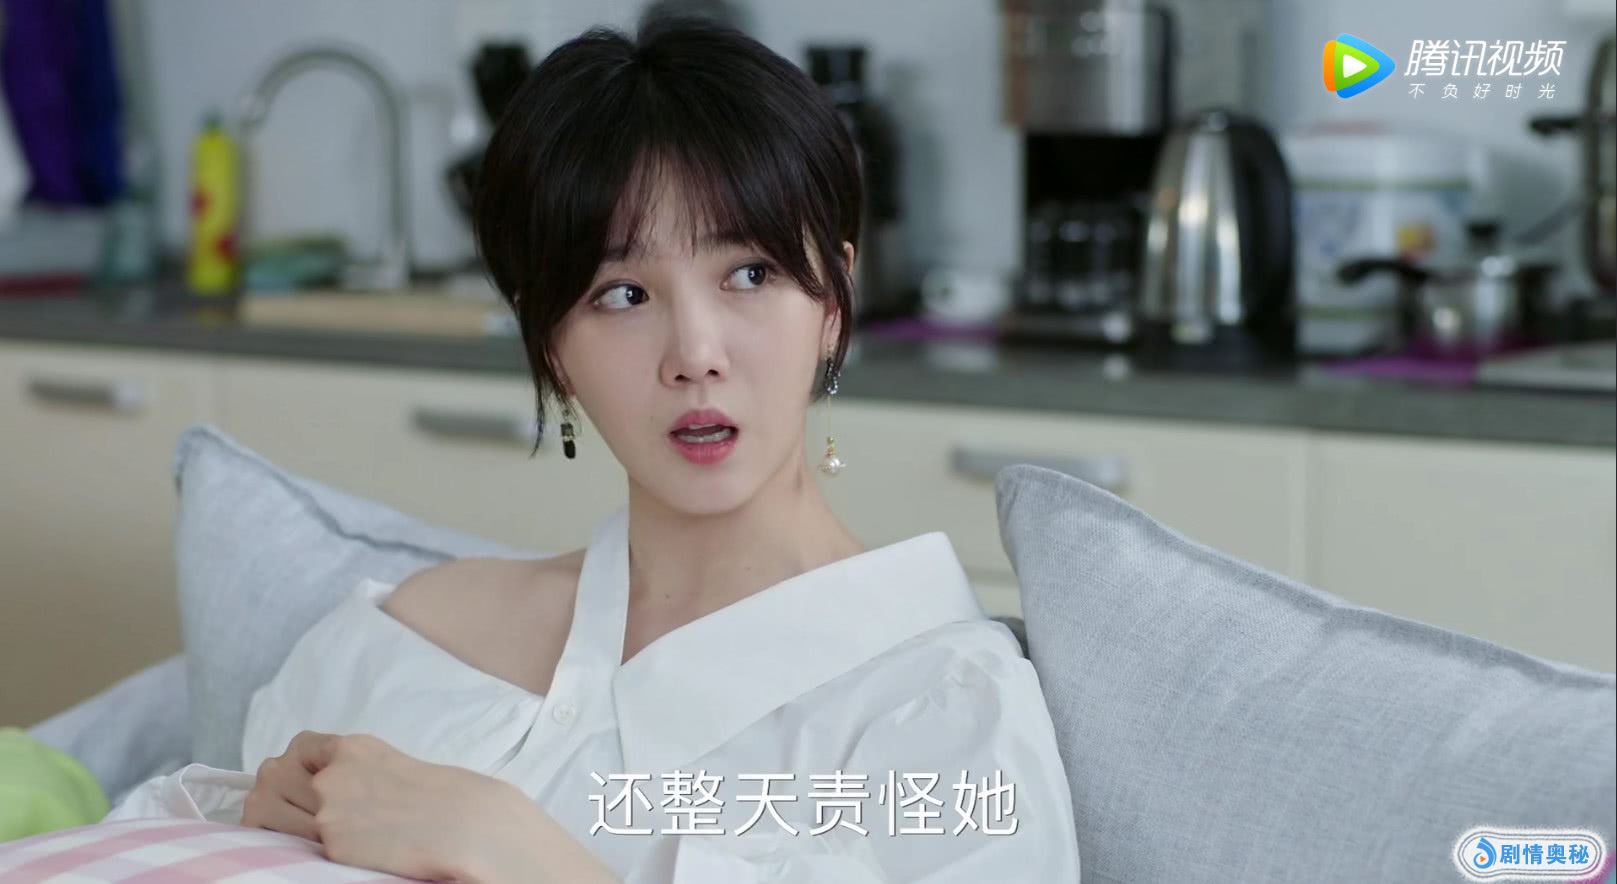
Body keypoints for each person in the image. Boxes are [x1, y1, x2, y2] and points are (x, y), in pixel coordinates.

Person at [108, 16, 1081, 883]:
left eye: (749, 273)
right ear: (552, 346)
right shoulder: (404, 638)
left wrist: (524, 854)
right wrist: (259, 813)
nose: (695, 353)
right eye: (623, 294)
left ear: (833, 301)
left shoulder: (942, 704)